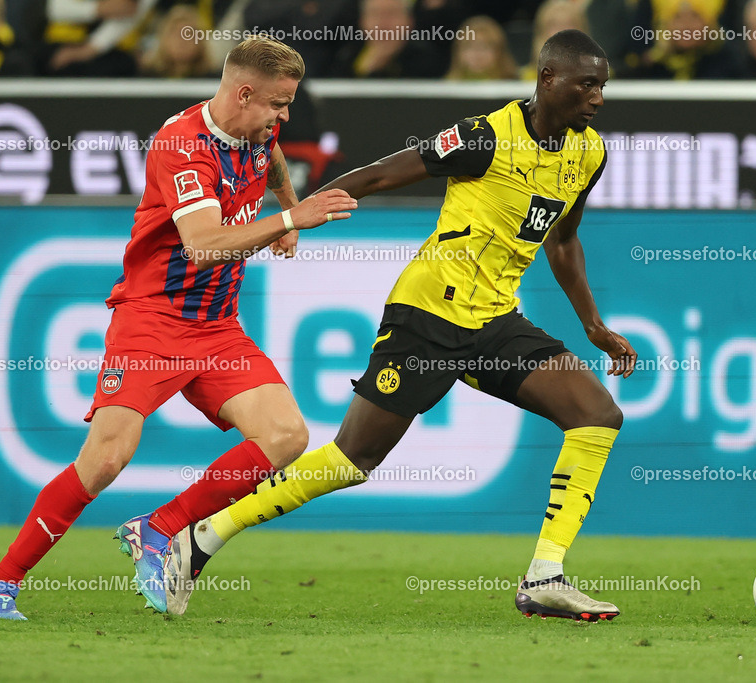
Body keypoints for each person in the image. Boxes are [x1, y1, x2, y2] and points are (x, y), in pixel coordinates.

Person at [161, 29, 639, 623]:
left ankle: (545, 575)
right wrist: (299, 214)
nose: (596, 97)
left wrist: (592, 325)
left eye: (602, 86)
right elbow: (385, 173)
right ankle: (202, 536)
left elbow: (563, 240)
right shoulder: (484, 137)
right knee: (352, 459)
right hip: (428, 315)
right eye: (586, 84)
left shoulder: (587, 152)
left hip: (493, 321)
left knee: (597, 412)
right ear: (547, 80)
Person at [0, 37, 358, 620]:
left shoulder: (257, 129)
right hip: (152, 321)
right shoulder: (181, 145)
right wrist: (291, 217)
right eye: (279, 103)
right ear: (243, 92)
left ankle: (160, 527)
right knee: (104, 459)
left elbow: (271, 159)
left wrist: (284, 207)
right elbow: (201, 244)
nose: (285, 116)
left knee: (286, 436)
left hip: (218, 328)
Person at [139, 4, 215, 78]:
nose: (182, 42)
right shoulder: (146, 77)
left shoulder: (215, 81)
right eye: (176, 35)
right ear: (165, 38)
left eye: (188, 35)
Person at [445, 14, 517, 80]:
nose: (477, 54)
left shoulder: (518, 88)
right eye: (469, 46)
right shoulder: (443, 89)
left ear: (499, 51)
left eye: (484, 47)